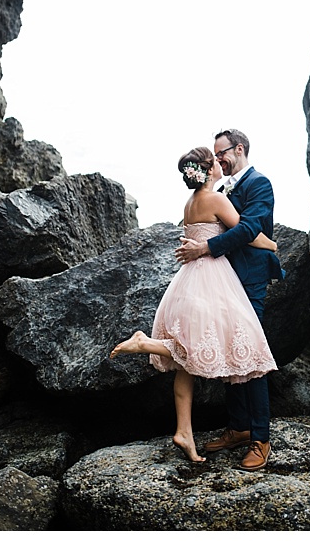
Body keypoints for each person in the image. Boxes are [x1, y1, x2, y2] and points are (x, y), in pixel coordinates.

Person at [110, 145, 278, 464]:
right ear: (207, 169)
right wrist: (271, 243)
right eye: (214, 160)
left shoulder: (190, 202)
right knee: (233, 344)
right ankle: (145, 343)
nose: (219, 163)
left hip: (188, 282)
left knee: (186, 361)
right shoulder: (215, 199)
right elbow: (249, 232)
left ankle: (184, 432)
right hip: (213, 279)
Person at [174, 129, 282, 471]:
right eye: (215, 155)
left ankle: (261, 439)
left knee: (251, 356)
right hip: (224, 281)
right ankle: (238, 427)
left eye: (222, 152)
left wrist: (204, 248)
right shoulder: (220, 191)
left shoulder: (259, 184)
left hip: (249, 279)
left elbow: (249, 229)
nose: (219, 158)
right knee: (231, 352)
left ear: (239, 149)